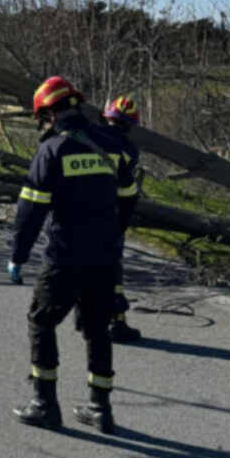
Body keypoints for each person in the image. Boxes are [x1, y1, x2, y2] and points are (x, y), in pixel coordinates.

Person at [8, 76, 138, 434]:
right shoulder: (110, 143)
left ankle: (44, 404)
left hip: (65, 258)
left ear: (49, 112)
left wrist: (17, 256)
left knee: (41, 321)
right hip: (104, 258)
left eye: (42, 118)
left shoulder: (52, 150)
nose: (43, 124)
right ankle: (100, 409)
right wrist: (115, 233)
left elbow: (30, 211)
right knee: (97, 330)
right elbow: (129, 196)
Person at [100, 94, 144, 343]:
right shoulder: (130, 150)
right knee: (112, 269)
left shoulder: (90, 137)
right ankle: (117, 322)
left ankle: (81, 315)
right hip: (112, 214)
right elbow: (127, 188)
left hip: (81, 212)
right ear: (130, 125)